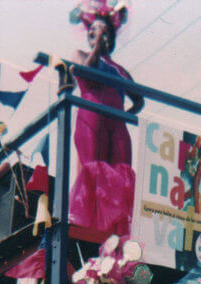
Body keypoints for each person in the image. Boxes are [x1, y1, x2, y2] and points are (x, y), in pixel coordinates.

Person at [67, 0, 144, 235]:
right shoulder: (80, 54)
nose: (94, 33)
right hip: (92, 116)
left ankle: (116, 234)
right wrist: (97, 46)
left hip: (116, 123)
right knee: (95, 171)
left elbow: (139, 100)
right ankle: (90, 231)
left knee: (121, 172)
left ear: (110, 35)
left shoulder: (120, 69)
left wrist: (124, 115)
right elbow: (84, 73)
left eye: (100, 30)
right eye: (92, 30)